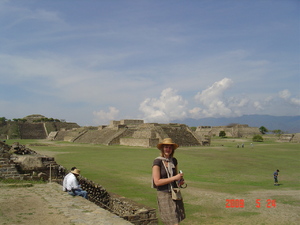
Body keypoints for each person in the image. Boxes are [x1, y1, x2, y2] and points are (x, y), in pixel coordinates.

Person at [152, 138, 185, 225]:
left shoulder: (173, 161)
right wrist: (174, 178)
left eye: (170, 147)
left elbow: (176, 178)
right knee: (172, 222)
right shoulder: (157, 162)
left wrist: (180, 181)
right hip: (164, 194)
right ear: (162, 148)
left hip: (174, 194)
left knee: (176, 220)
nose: (168, 149)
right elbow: (157, 182)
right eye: (166, 147)